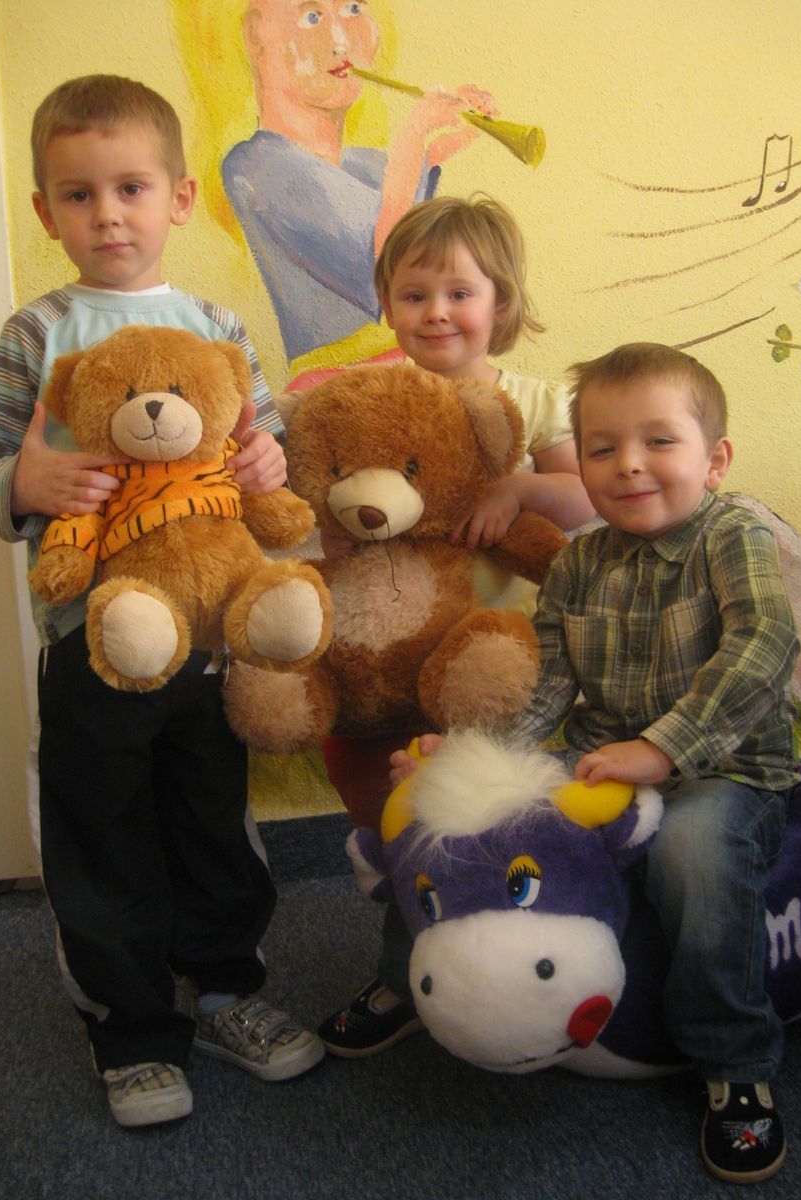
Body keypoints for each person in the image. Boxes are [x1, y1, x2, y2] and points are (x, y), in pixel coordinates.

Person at [0, 74, 324, 1129]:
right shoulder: (37, 332)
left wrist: (267, 462)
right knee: (104, 831)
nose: (108, 214)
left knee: (212, 817)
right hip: (93, 639)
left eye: (130, 188)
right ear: (45, 213)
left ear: (179, 198)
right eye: (79, 195)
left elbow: (263, 442)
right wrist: (26, 483)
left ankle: (225, 991)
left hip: (208, 640)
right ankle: (129, 1028)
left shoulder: (215, 323)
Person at [389, 343, 801, 1185]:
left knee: (693, 852)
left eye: (659, 441)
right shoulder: (578, 562)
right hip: (602, 756)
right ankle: (405, 980)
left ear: (715, 459)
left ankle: (734, 1060)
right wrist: (478, 759)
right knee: (466, 817)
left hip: (722, 768)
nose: (629, 465)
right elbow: (548, 685)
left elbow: (765, 644)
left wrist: (664, 748)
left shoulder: (734, 533)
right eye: (603, 448)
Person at [317, 194, 594, 1056]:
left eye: (460, 293)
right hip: (387, 657)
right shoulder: (369, 398)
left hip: (492, 667)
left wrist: (519, 488)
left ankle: (507, 979)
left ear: (500, 302)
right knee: (402, 827)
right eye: (414, 294)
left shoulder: (534, 402)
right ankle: (406, 971)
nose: (436, 312)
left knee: (477, 825)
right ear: (387, 304)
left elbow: (587, 500)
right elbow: (323, 486)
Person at [176, 0, 497, 387]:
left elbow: (411, 220)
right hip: (337, 392)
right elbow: (388, 271)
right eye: (311, 17)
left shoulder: (368, 165)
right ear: (257, 37)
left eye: (352, 9)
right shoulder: (257, 165)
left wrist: (454, 137)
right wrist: (415, 134)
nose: (340, 41)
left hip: (408, 383)